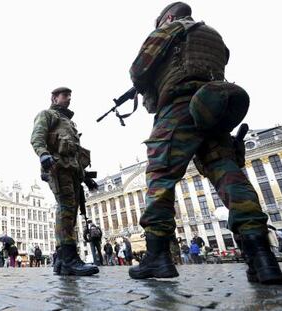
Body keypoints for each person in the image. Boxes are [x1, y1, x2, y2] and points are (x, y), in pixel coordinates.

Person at [127, 2, 282, 284]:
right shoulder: (213, 34)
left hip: (180, 107)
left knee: (160, 176)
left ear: (169, 17)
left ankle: (158, 256)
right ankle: (262, 258)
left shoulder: (169, 29)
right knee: (229, 175)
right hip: (213, 108)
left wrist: (151, 93)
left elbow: (138, 69)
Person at [30, 87, 99, 276]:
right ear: (54, 98)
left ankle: (61, 260)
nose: (68, 98)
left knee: (70, 211)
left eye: (70, 96)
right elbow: (37, 137)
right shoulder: (47, 115)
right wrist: (43, 154)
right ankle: (69, 259)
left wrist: (86, 178)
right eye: (65, 96)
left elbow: (74, 154)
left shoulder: (69, 122)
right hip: (58, 168)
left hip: (73, 171)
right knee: (66, 209)